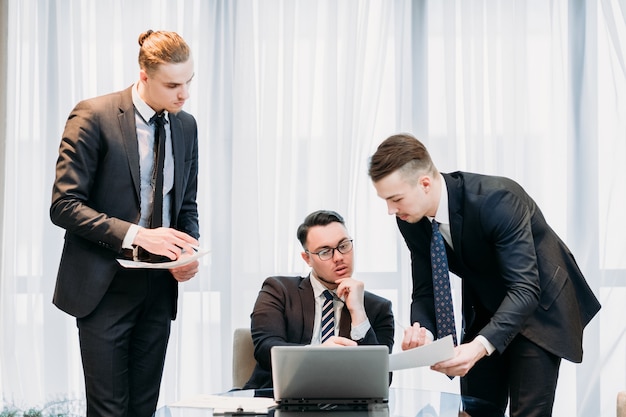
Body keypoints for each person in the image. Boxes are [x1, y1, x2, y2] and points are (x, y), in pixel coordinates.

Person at [368, 133, 601, 417]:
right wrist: (424, 331)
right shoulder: (410, 219)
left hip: (541, 307)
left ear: (424, 183)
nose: (390, 210)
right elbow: (425, 289)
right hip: (487, 305)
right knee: (475, 410)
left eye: (395, 199)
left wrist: (478, 347)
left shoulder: (497, 198)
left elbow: (526, 289)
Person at [50, 30, 200, 417]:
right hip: (104, 288)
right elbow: (64, 205)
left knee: (143, 410)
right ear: (144, 75)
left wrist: (187, 250)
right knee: (109, 412)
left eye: (189, 82)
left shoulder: (186, 126)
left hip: (158, 288)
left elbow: (185, 206)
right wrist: (138, 235)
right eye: (173, 85)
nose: (184, 94)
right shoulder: (93, 115)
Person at [243, 210, 395, 389]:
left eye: (344, 246)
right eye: (325, 252)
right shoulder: (278, 290)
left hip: (346, 405)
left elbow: (380, 378)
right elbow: (265, 348)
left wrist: (358, 313)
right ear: (307, 258)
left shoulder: (378, 308)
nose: (338, 257)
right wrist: (317, 355)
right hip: (279, 399)